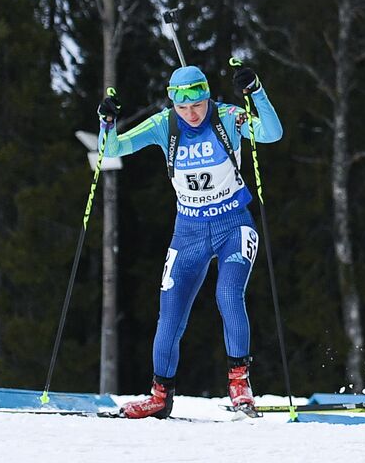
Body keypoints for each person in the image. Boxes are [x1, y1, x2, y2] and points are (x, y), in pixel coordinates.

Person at [95, 63, 283, 419]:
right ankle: (159, 396)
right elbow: (111, 150)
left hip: (234, 226)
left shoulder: (227, 117)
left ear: (207, 97)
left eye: (196, 105)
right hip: (189, 233)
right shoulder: (164, 124)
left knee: (228, 294)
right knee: (170, 313)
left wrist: (256, 91)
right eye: (182, 107)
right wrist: (107, 122)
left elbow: (272, 133)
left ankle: (240, 385)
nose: (191, 114)